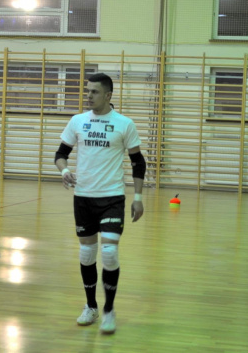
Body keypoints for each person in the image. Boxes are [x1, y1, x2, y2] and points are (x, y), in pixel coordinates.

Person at [54, 72, 145, 335]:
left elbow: (139, 162)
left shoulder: (124, 124)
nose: (89, 96)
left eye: (94, 92)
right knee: (86, 254)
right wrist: (64, 171)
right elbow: (61, 153)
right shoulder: (78, 121)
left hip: (112, 197)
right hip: (83, 198)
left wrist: (138, 198)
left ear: (108, 95)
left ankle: (109, 310)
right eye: (87, 91)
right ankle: (91, 306)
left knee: (109, 253)